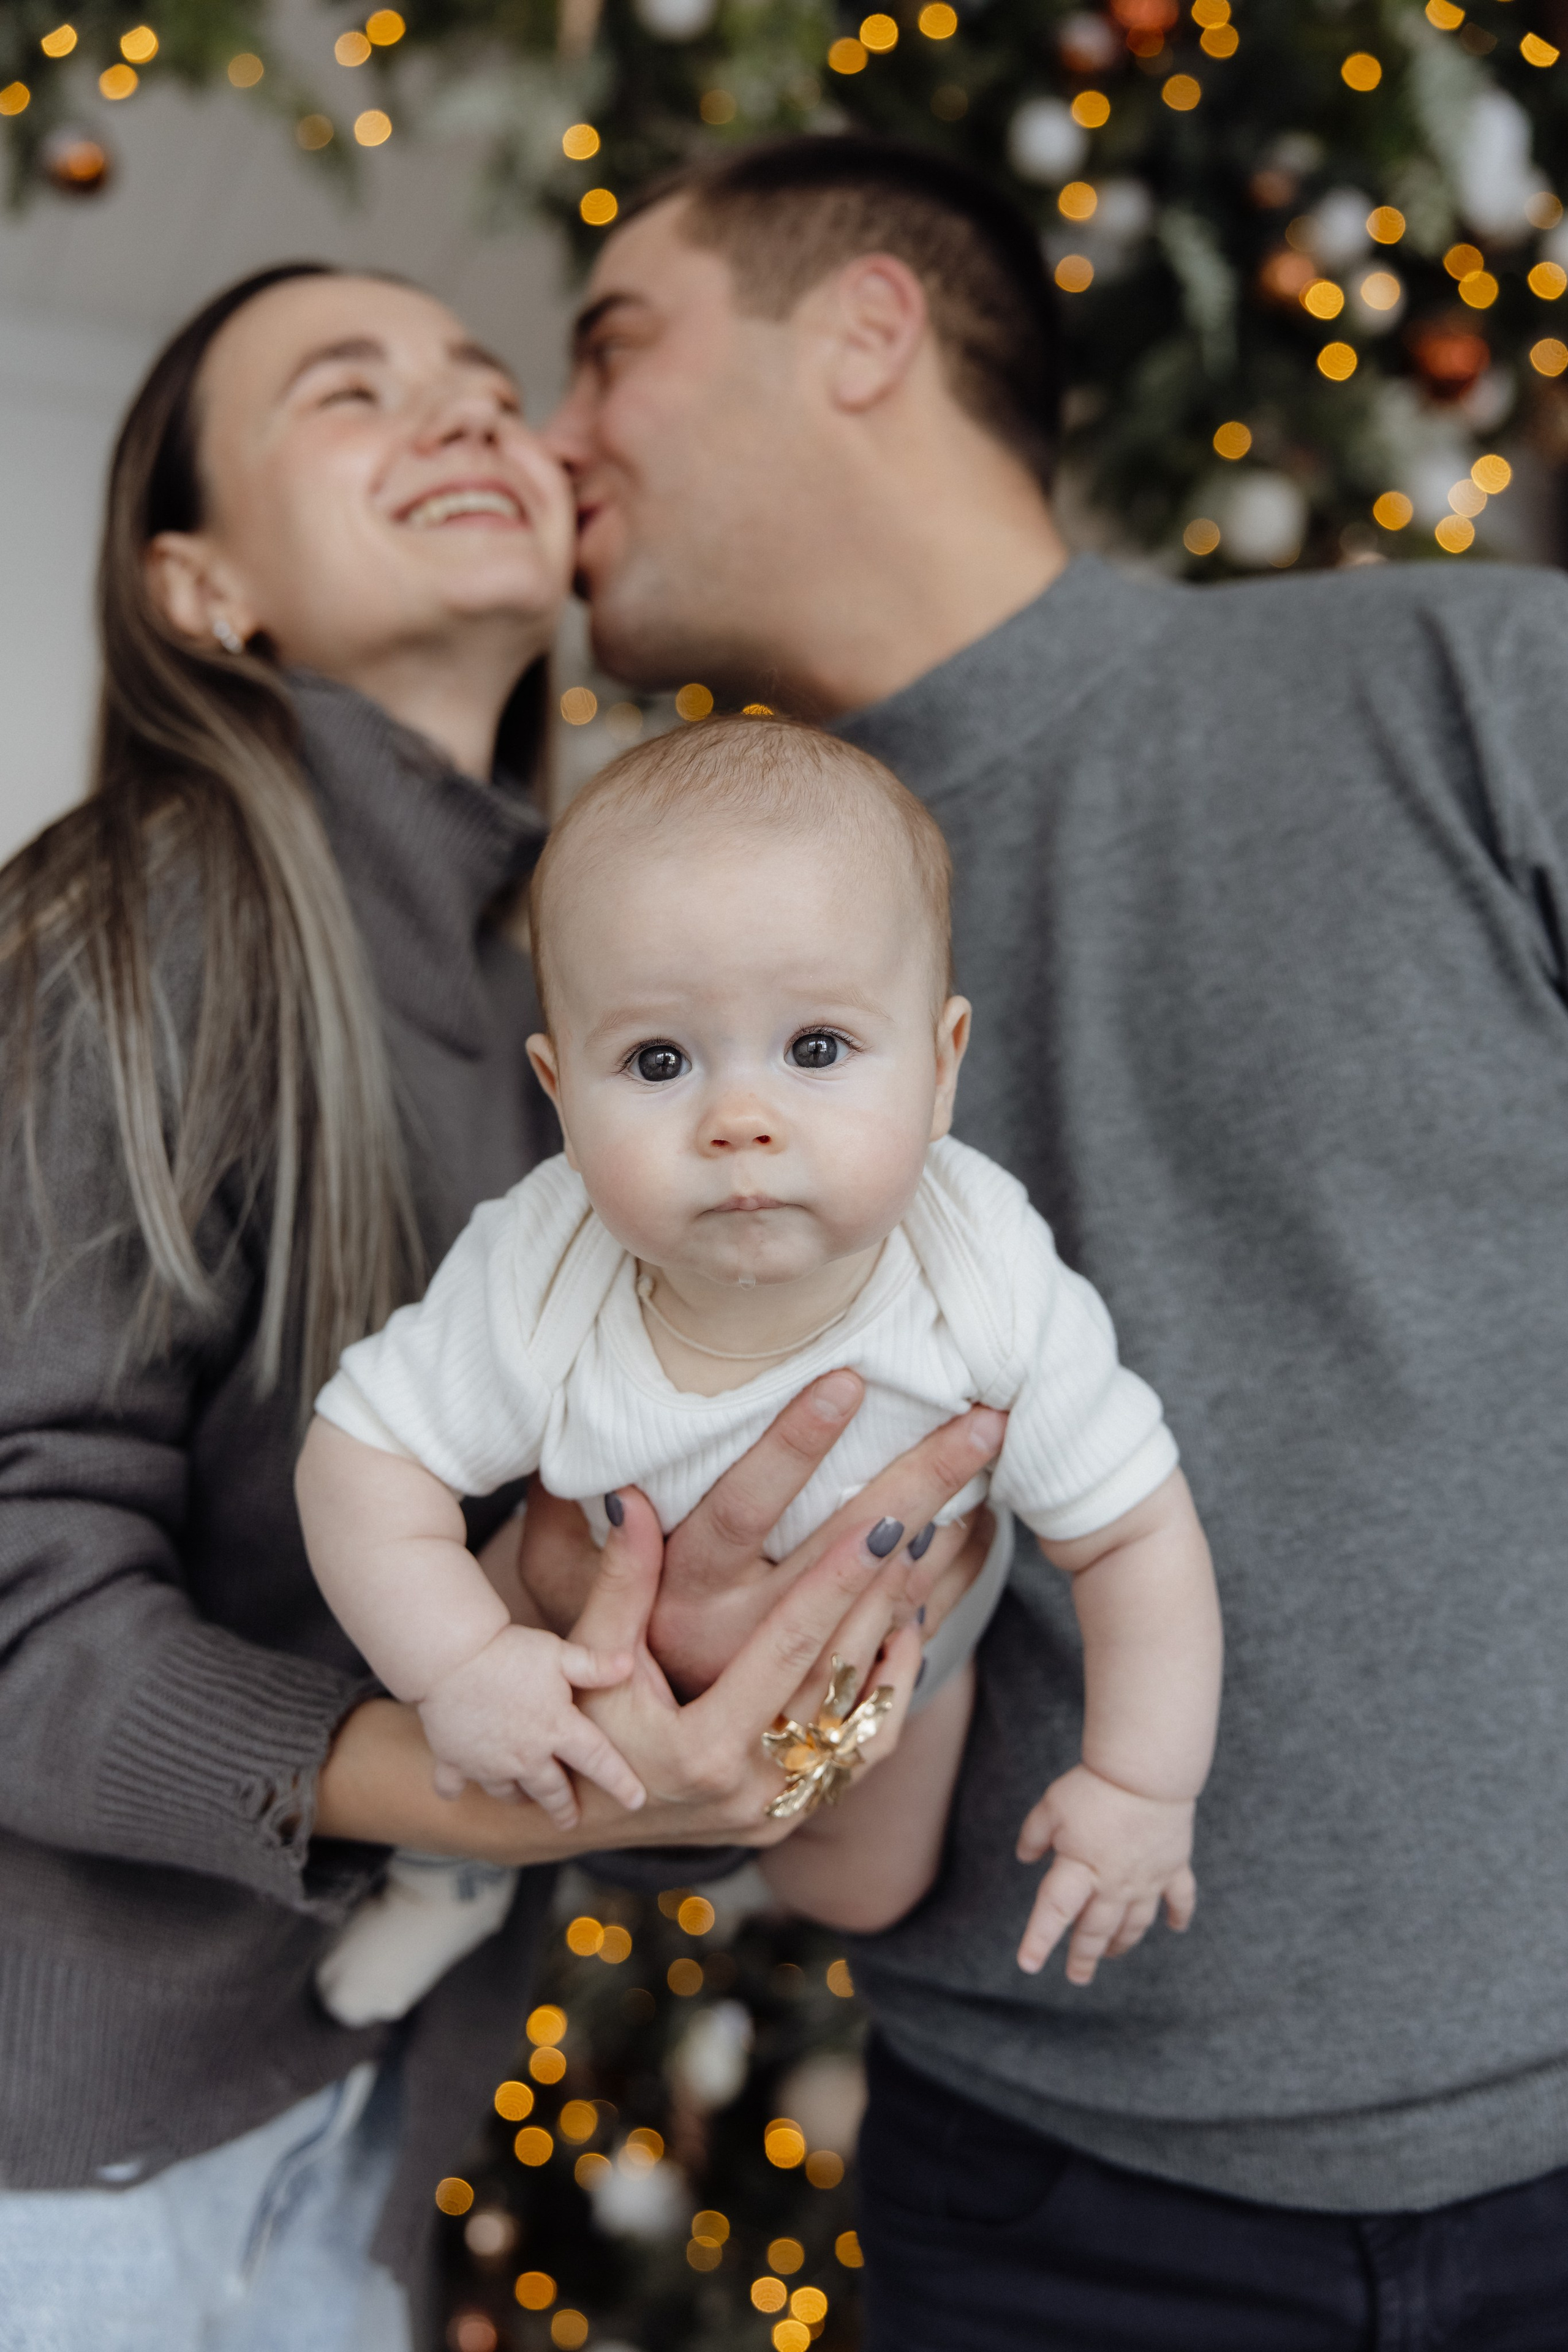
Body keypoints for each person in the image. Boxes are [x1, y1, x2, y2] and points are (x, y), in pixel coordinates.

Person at [537, 135, 1568, 2346]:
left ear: (869, 332)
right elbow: (679, 1772)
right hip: (1056, 2229)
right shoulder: (618, 1000)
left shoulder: (1486, 697)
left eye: (616, 345)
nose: (554, 432)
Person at [0, 258, 994, 2351]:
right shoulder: (128, 927)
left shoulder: (615, 1014)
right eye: (350, 395)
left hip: (359, 2106)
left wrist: (678, 1718)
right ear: (199, 588)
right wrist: (433, 1769)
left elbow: (583, 1633)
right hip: (59, 2145)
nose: (466, 414)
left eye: (481, 379)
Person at [295, 714, 1218, 2021]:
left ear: (944, 1069)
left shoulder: (983, 1268)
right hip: (581, 1622)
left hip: (892, 1628)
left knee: (866, 1888)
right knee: (480, 1756)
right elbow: (363, 1459)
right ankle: (457, 1883)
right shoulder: (543, 1267)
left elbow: (1133, 1537)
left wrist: (1138, 1783)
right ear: (559, 1096)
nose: (740, 1120)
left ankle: (736, 1883)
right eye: (658, 1062)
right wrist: (459, 1668)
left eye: (817, 1049)